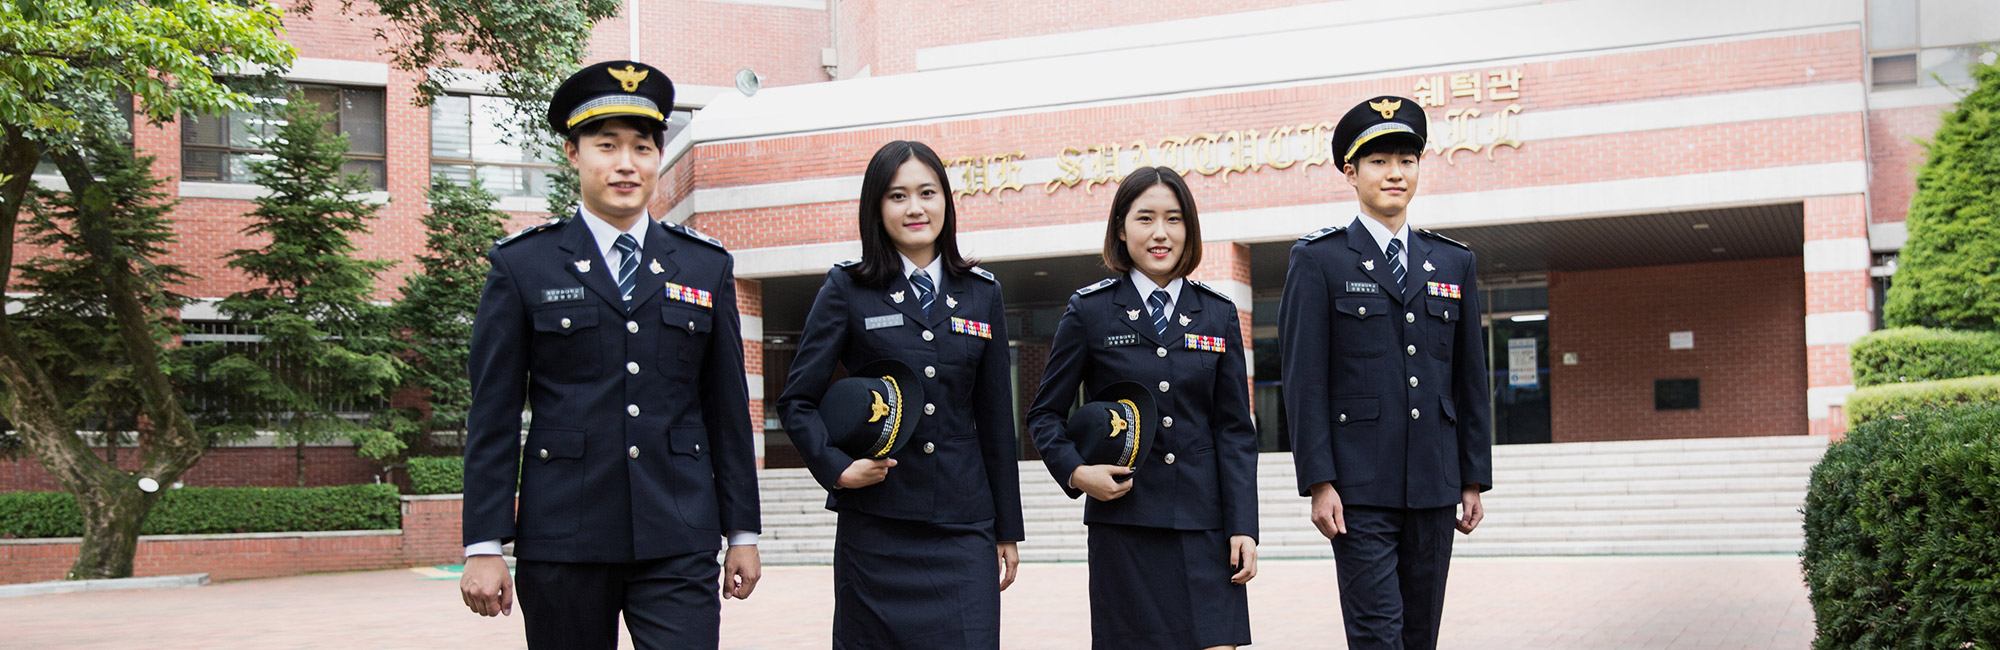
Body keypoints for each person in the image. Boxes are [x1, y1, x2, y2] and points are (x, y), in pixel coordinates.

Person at [456, 60, 762, 650]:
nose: (626, 163)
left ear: (658, 157)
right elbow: (492, 414)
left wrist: (742, 531)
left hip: (678, 532)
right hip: (563, 536)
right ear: (573, 153)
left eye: (642, 148)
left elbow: (726, 410)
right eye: (607, 145)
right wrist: (484, 545)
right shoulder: (524, 265)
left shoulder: (704, 266)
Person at [775, 139, 1026, 649]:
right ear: (876, 207)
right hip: (876, 525)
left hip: (963, 524)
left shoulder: (982, 293)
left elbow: (997, 420)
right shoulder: (847, 288)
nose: (915, 207)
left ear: (945, 202)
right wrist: (837, 469)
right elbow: (796, 401)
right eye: (897, 196)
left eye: (927, 192)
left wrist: (1007, 529)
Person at [1279, 95, 1493, 650]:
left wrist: (1472, 477)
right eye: (1378, 161)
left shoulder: (1454, 262)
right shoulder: (1319, 260)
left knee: (1421, 635)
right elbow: (1304, 383)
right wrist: (1319, 482)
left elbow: (1469, 379)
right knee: (1377, 634)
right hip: (1357, 489)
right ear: (1350, 173)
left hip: (1434, 482)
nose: (1395, 173)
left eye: (1406, 160)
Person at [1026, 166, 1259, 650]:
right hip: (1123, 527)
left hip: (1205, 526)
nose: (1160, 233)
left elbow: (1235, 430)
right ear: (1121, 228)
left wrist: (1244, 526)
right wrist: (1077, 473)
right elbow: (1044, 414)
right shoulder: (1090, 311)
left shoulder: (1217, 313)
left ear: (1189, 229)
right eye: (1145, 218)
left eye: (1174, 219)